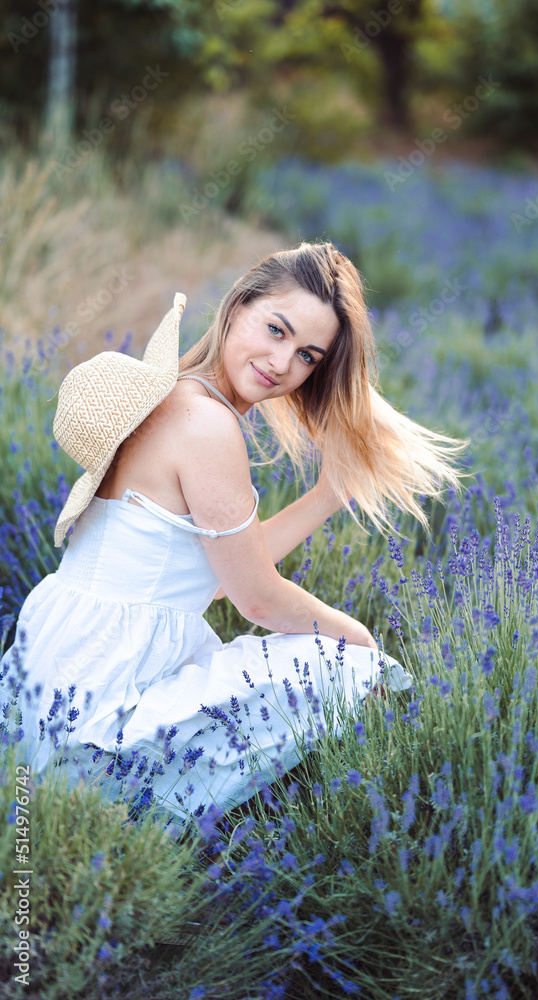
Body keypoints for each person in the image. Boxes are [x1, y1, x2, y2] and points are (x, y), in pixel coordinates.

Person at [0, 241, 469, 824]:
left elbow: (224, 576)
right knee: (350, 666)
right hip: (104, 697)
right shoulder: (207, 424)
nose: (283, 362)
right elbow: (256, 598)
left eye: (307, 355)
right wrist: (361, 641)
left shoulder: (176, 395)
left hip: (61, 672)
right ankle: (352, 824)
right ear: (239, 304)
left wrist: (329, 494)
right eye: (276, 329)